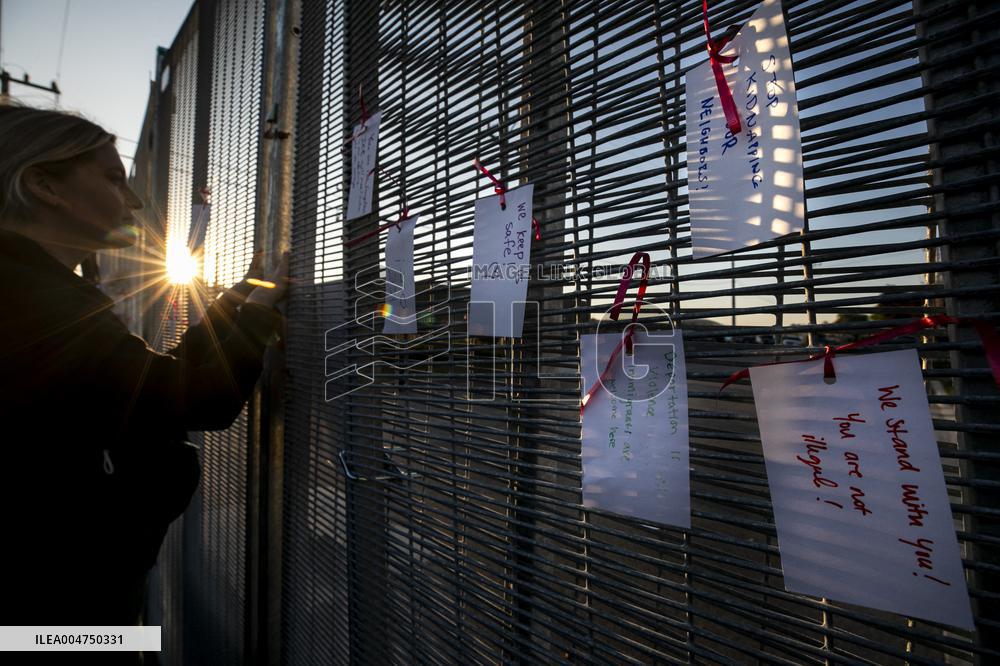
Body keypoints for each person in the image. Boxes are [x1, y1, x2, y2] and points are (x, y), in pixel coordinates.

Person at [0, 103, 287, 657]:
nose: (132, 200)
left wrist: (238, 302)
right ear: (43, 185)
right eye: (112, 178)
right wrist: (257, 312)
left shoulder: (32, 290)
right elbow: (198, 398)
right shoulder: (31, 301)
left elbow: (153, 384)